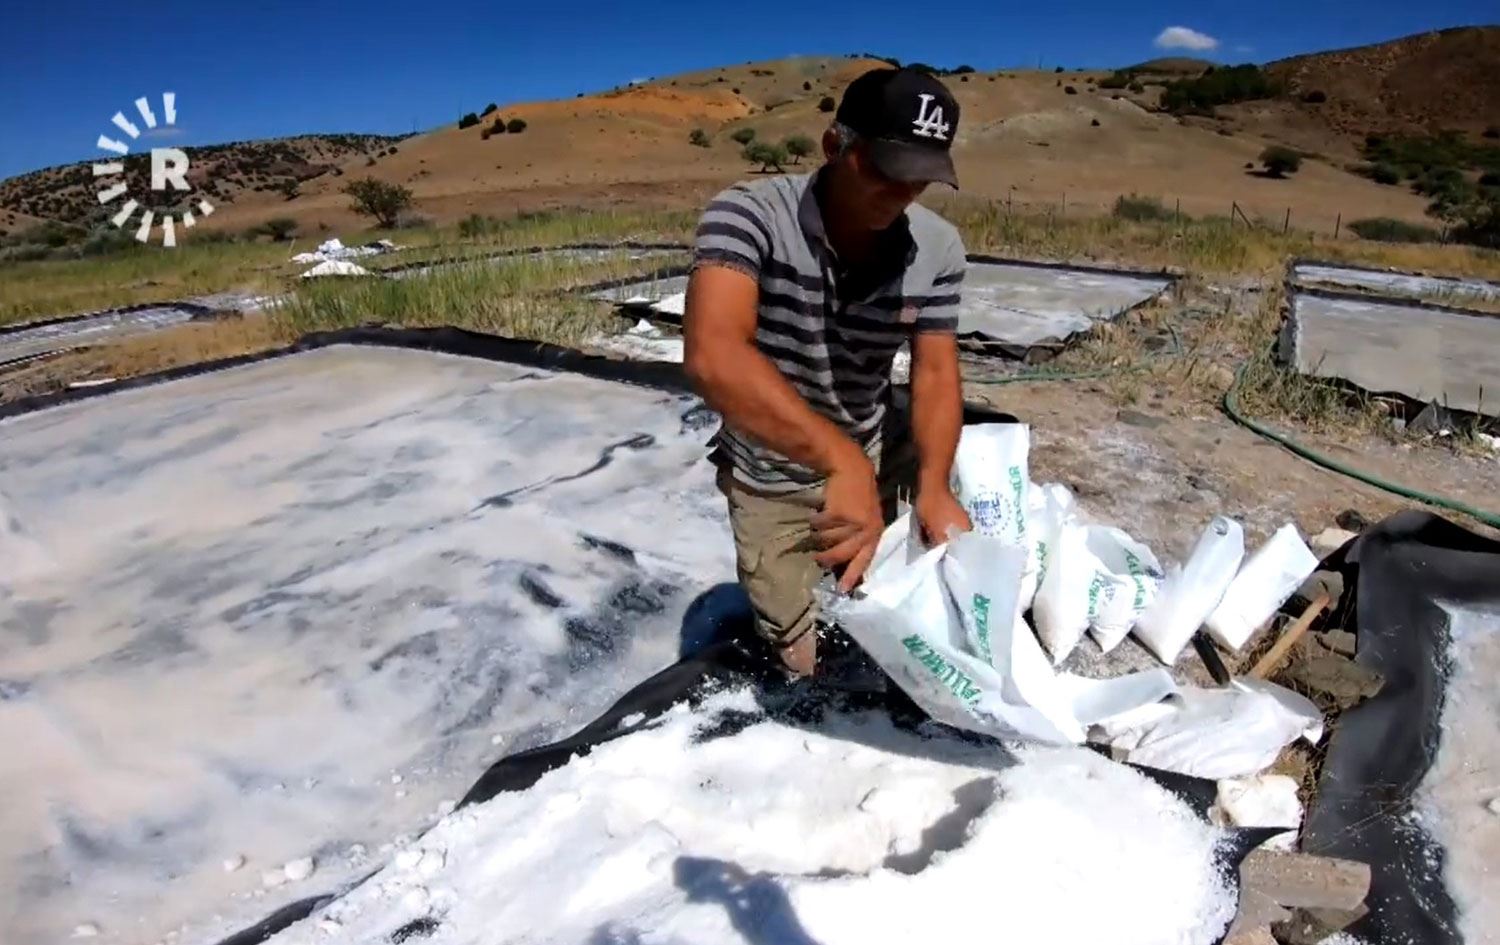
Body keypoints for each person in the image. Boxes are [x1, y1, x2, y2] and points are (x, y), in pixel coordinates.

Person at [683, 67, 973, 677]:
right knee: (803, 658)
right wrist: (841, 462)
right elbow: (714, 354)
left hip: (871, 440)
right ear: (835, 146)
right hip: (774, 466)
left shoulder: (938, 249)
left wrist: (934, 485)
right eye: (887, 171)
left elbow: (935, 374)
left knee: (899, 612)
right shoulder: (749, 215)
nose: (901, 194)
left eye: (920, 178)